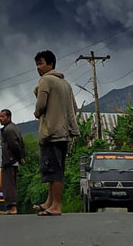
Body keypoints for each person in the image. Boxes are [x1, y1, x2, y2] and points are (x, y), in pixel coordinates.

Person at [32, 49, 78, 216]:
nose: (38, 67)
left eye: (41, 63)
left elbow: (41, 105)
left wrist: (37, 112)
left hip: (51, 132)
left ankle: (56, 205)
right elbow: (74, 107)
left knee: (53, 170)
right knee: (55, 168)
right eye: (37, 64)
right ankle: (49, 202)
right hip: (64, 132)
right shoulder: (65, 83)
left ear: (50, 64)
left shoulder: (45, 80)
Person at [0, 108, 25, 214]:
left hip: (10, 160)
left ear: (9, 117)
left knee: (8, 184)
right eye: (0, 116)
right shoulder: (13, 128)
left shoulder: (9, 130)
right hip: (12, 160)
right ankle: (11, 208)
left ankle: (12, 207)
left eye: (3, 116)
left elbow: (15, 145)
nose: (0, 119)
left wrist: (20, 157)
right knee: (10, 184)